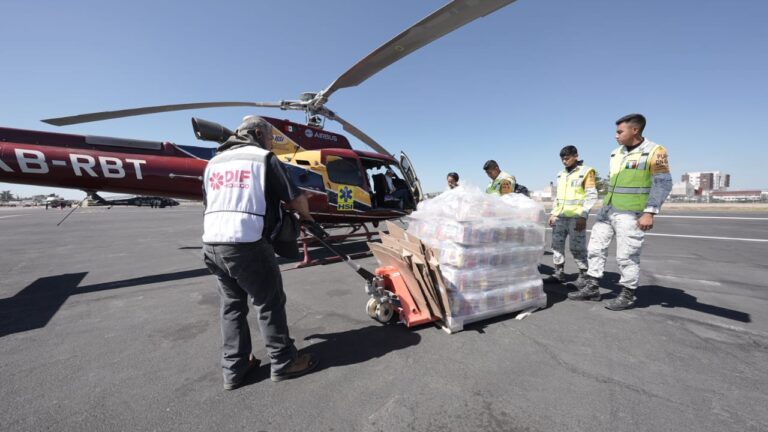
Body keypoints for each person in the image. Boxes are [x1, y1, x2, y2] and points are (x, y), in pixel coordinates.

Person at [202, 115, 318, 390]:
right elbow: (295, 198)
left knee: (232, 307)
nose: (271, 144)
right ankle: (284, 361)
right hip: (247, 243)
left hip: (212, 244)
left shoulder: (213, 162)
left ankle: (235, 368)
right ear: (257, 133)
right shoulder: (262, 158)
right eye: (269, 138)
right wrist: (309, 219)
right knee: (269, 302)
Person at [568, 114, 672, 310]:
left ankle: (628, 293)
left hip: (632, 212)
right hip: (608, 210)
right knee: (595, 250)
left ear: (635, 130)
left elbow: (663, 183)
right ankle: (592, 287)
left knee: (627, 255)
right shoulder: (616, 153)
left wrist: (650, 212)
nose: (616, 136)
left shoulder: (655, 151)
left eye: (619, 132)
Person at [544, 146, 598, 286]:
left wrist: (583, 215)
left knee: (577, 247)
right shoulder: (561, 174)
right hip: (560, 217)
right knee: (556, 245)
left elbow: (591, 195)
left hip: (576, 217)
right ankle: (558, 273)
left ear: (576, 156)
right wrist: (553, 213)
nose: (564, 161)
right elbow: (558, 197)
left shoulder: (586, 172)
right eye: (562, 158)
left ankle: (583, 274)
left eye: (567, 158)